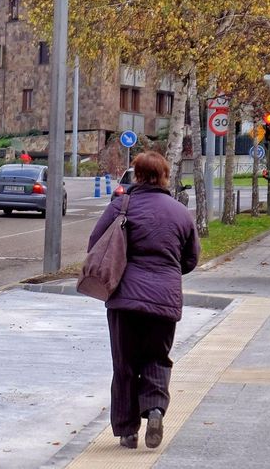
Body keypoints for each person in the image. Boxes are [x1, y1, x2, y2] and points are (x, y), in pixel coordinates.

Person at [86, 151, 200, 450]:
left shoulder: (121, 206)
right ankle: (155, 410)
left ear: (136, 175)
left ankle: (127, 432)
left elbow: (95, 244)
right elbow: (191, 259)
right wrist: (166, 272)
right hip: (165, 299)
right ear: (165, 176)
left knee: (124, 364)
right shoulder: (180, 212)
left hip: (124, 299)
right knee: (157, 358)